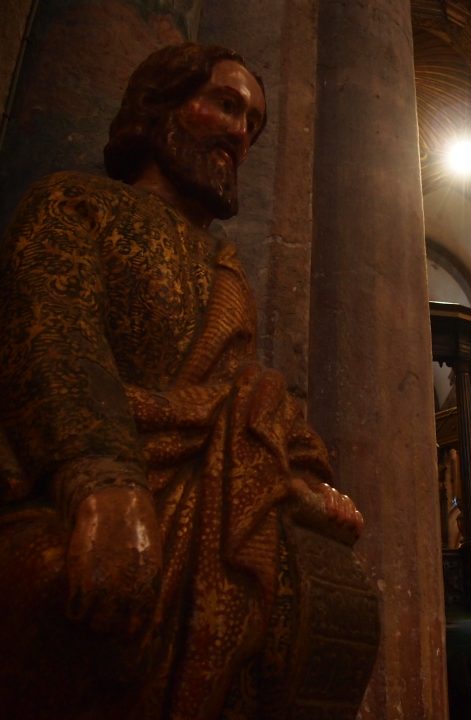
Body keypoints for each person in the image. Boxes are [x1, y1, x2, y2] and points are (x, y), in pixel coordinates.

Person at [0, 43, 375, 719]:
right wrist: (103, 483)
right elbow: (55, 343)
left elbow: (244, 405)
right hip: (82, 480)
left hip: (207, 496)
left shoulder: (228, 273)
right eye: (226, 106)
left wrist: (298, 480)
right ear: (158, 108)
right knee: (63, 587)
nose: (240, 134)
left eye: (253, 124)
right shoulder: (74, 203)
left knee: (326, 603)